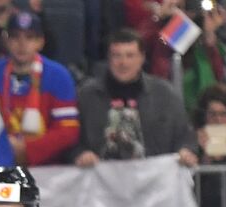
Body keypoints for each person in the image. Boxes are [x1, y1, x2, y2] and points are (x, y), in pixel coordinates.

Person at [73, 28, 198, 166]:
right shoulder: (86, 96)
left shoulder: (164, 94)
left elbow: (184, 135)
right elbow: (71, 139)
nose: (123, 63)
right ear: (108, 58)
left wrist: (186, 151)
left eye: (130, 55)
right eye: (117, 55)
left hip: (152, 182)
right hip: (100, 183)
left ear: (142, 58)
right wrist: (80, 153)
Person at [0, 11, 81, 165]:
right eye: (15, 37)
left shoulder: (58, 75)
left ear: (41, 42)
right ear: (5, 41)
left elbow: (68, 130)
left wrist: (27, 149)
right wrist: (7, 150)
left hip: (47, 169)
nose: (22, 44)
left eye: (30, 38)